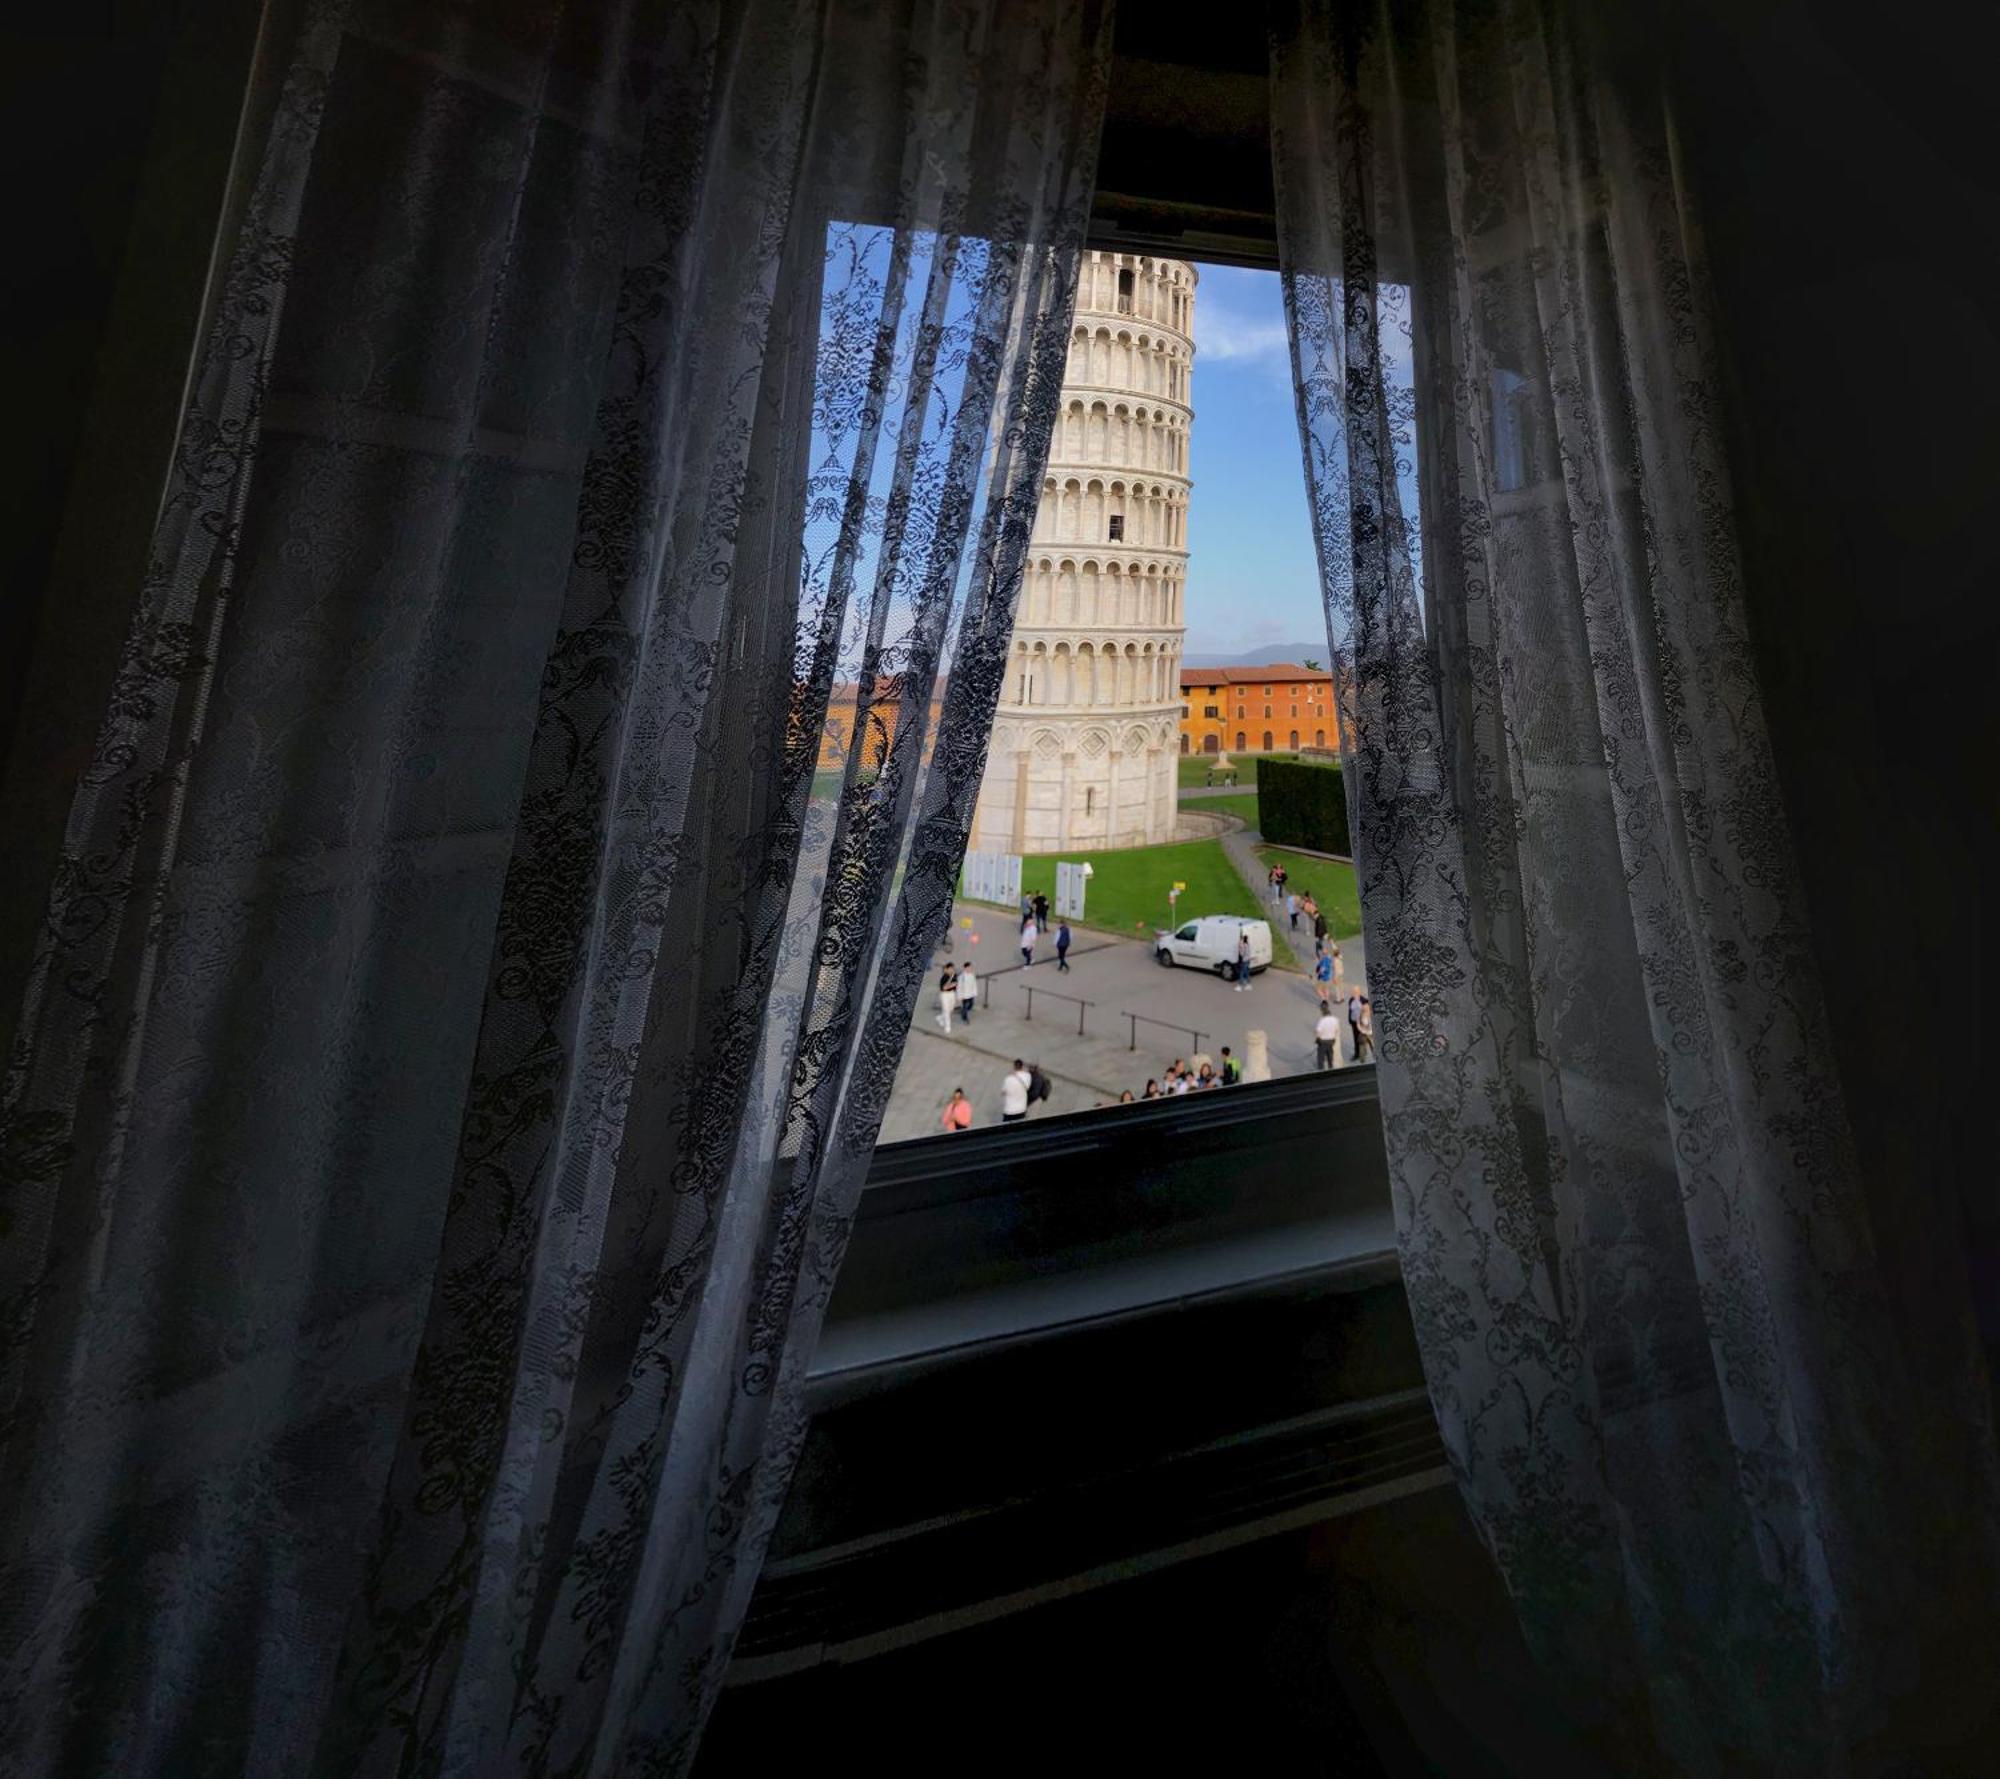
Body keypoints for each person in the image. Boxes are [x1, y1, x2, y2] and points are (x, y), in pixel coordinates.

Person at [1314, 1000, 1341, 1071]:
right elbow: (1337, 1030)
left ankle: (1321, 1071)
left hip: (1323, 1042)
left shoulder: (1322, 1021)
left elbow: (1318, 1032)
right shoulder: (1335, 1019)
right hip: (1331, 1041)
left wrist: (1317, 1039)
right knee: (1330, 1057)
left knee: (1321, 1058)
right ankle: (1331, 1069)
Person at [936, 964, 957, 1034]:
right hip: (944, 995)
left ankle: (941, 1018)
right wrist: (951, 983)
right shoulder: (944, 977)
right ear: (947, 969)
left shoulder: (955, 975)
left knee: (951, 1009)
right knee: (946, 1010)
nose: (952, 970)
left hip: (952, 994)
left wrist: (951, 985)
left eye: (953, 969)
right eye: (950, 969)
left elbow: (956, 984)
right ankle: (947, 1026)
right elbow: (944, 988)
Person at [1356, 995, 1375, 1063]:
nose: (1365, 1007)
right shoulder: (1360, 1014)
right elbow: (1358, 1024)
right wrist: (1362, 1030)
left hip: (1372, 1034)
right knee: (1362, 1048)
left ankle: (1376, 1059)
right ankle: (1362, 1060)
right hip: (1364, 1033)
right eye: (1364, 1006)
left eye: (1367, 1006)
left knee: (1374, 1048)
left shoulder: (1373, 1014)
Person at [1347, 987, 1364, 1061]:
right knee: (1356, 1038)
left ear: (1359, 992)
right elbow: (1350, 1011)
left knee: (1362, 1039)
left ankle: (1362, 1054)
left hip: (1361, 1023)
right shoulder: (1351, 1000)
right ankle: (1357, 1054)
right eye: (1352, 992)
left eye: (1354, 992)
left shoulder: (1364, 1000)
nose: (1353, 993)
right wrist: (1350, 1020)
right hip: (1354, 1022)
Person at [1234, 927, 1253, 992]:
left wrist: (1240, 948)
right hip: (1248, 960)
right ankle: (1248, 985)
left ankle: (1240, 986)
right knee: (1246, 972)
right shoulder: (1248, 944)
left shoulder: (1244, 945)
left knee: (1242, 972)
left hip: (1245, 960)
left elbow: (1242, 954)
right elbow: (1249, 952)